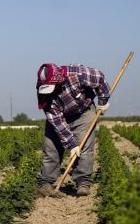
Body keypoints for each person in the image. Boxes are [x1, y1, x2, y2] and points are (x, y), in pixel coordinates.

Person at [34, 63, 111, 197]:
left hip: (84, 112)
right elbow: (56, 120)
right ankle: (45, 183)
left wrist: (103, 102)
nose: (50, 91)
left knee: (85, 147)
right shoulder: (43, 90)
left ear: (59, 80)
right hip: (59, 116)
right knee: (51, 148)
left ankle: (83, 182)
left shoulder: (77, 74)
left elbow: (100, 79)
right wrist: (72, 144)